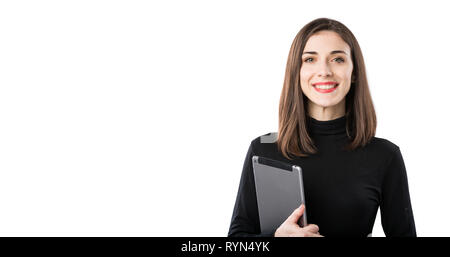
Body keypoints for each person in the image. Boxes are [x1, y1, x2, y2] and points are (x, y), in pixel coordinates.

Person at [228, 18, 416, 237]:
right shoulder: (263, 148)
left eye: (337, 59)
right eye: (310, 59)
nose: (324, 71)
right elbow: (236, 239)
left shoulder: (385, 155)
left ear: (354, 72)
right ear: (296, 72)